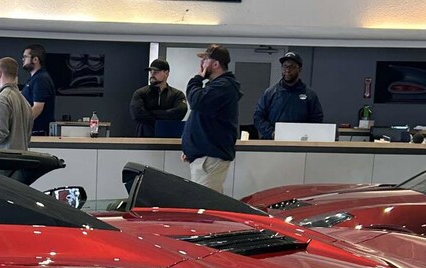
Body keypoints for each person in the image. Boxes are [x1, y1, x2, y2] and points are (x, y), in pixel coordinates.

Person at [181, 44, 242, 193]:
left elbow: (196, 101)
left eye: (205, 60)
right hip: (205, 157)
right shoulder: (215, 86)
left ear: (215, 64)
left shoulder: (223, 86)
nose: (201, 64)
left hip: (210, 158)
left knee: (203, 202)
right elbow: (202, 119)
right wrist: (191, 148)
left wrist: (196, 79)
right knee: (204, 201)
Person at [253, 52, 324, 140]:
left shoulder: (309, 95)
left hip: (300, 142)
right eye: (285, 66)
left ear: (299, 69)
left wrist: (305, 134)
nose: (287, 70)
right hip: (273, 142)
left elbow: (316, 119)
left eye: (291, 67)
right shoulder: (270, 93)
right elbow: (258, 117)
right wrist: (271, 133)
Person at [129, 59, 187, 138]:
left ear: (166, 73)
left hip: (170, 139)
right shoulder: (140, 93)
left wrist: (150, 113)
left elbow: (180, 112)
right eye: (151, 72)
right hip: (144, 138)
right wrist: (165, 116)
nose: (152, 74)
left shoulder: (177, 94)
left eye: (156, 72)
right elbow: (137, 114)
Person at [21, 43, 56, 136]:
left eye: (25, 57)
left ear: (35, 59)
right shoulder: (34, 78)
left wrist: (20, 124)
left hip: (38, 132)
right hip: (33, 130)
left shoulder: (41, 79)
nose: (23, 59)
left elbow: (38, 107)